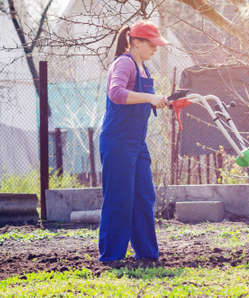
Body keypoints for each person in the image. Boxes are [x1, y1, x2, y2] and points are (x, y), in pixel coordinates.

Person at [98, 19, 169, 263]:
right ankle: (111, 256)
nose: (155, 48)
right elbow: (116, 93)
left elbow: (143, 99)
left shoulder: (144, 68)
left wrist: (159, 100)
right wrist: (149, 97)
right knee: (119, 198)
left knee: (143, 196)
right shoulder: (123, 64)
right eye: (151, 44)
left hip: (137, 143)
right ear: (135, 42)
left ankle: (147, 254)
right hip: (117, 142)